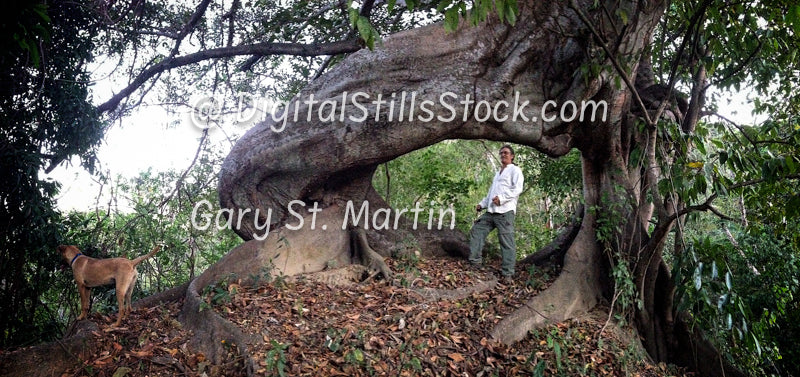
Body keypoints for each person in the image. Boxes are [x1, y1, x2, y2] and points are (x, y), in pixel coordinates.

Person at [469, 144, 524, 283]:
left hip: (505, 212)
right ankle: (475, 263)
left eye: (506, 153)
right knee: (477, 230)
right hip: (491, 212)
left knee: (506, 242)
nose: (503, 155)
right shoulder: (497, 174)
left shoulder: (515, 170)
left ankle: (508, 274)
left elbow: (517, 189)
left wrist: (502, 198)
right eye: (501, 153)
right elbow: (490, 194)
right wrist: (482, 204)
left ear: (512, 156)